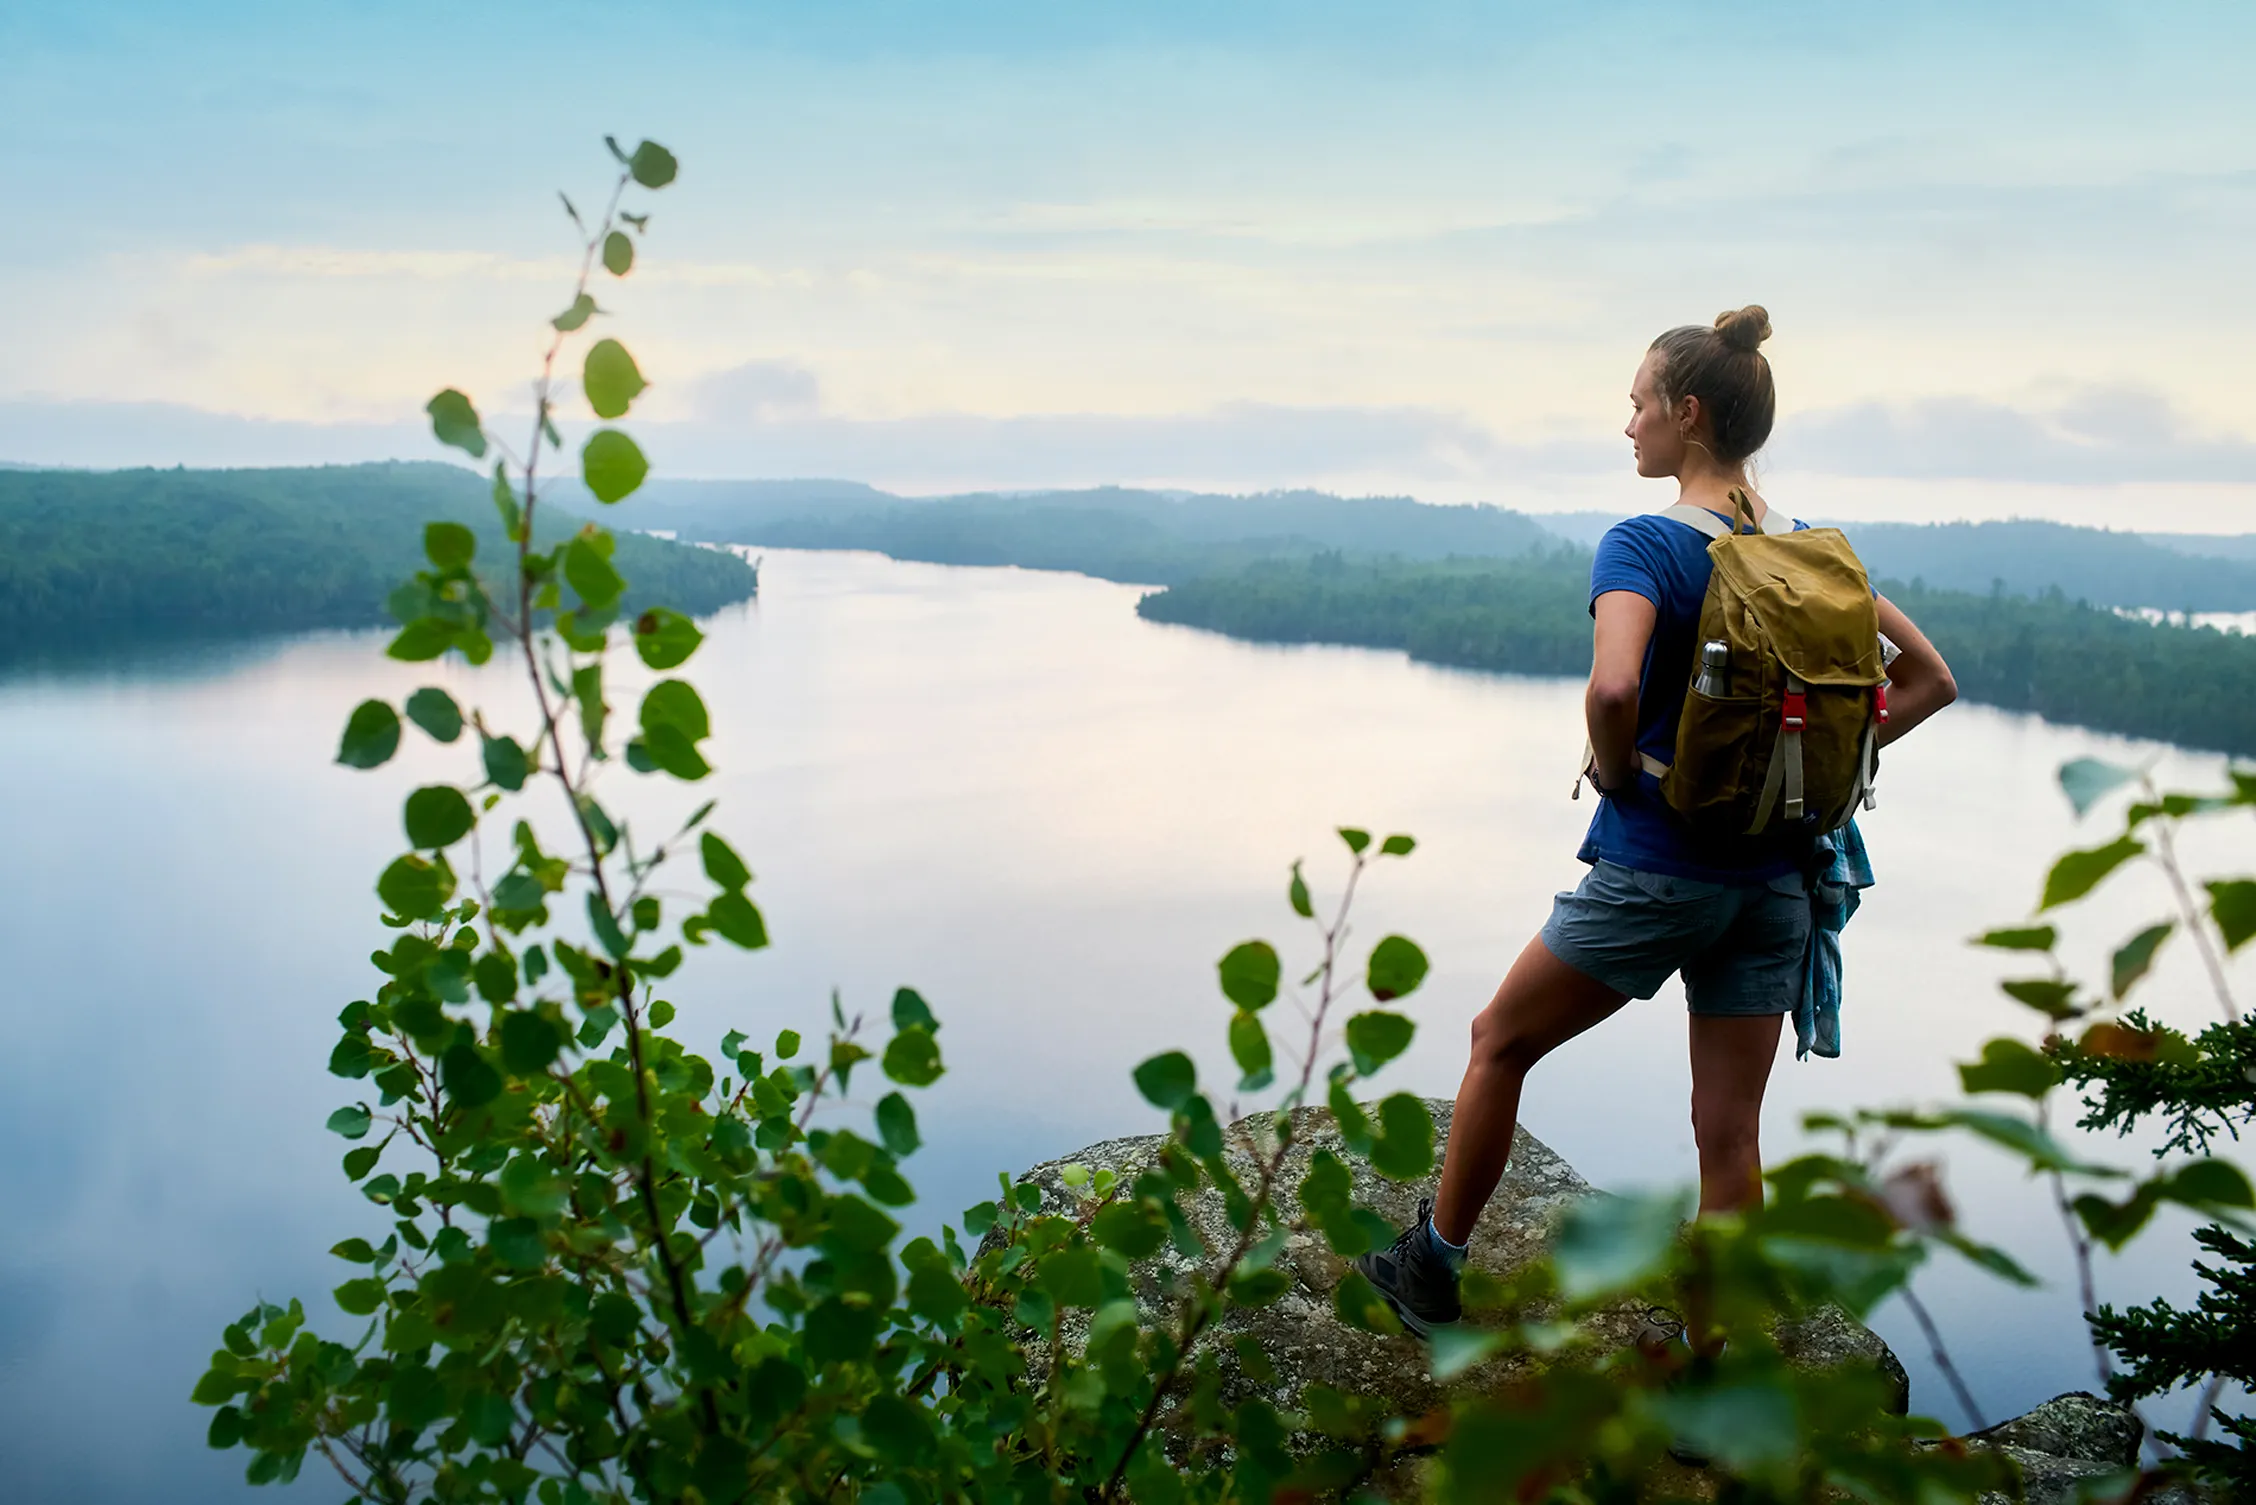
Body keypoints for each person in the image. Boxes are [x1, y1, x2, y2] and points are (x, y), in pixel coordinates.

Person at [1354, 305, 1958, 1335]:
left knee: (1497, 1040)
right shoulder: (1812, 556)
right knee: (1728, 1138)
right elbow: (1931, 679)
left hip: (1657, 872)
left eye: (1637, 403)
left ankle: (1432, 1269)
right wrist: (1799, 788)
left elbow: (1613, 689)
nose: (1626, 423)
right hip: (1777, 888)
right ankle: (1723, 1363)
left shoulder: (1643, 543)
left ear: (1686, 413)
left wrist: (1618, 769)